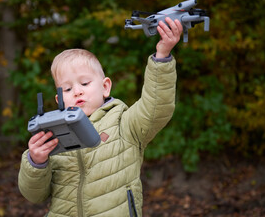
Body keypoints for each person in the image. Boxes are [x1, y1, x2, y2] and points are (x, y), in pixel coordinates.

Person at [18, 17, 183, 217]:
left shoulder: (124, 123)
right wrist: (36, 162)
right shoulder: (54, 136)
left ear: (105, 86)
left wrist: (162, 56)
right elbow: (34, 196)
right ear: (58, 99)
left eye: (85, 84)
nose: (77, 91)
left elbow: (157, 107)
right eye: (68, 88)